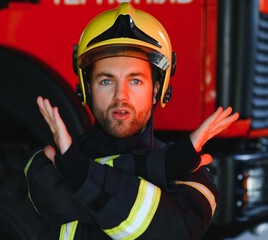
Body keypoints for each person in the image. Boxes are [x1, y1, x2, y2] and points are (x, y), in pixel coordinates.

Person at [24, 2, 239, 239]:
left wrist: (78, 171)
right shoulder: (41, 166)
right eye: (106, 81)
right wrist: (165, 166)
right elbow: (55, 197)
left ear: (157, 90)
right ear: (87, 88)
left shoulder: (197, 180)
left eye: (135, 81)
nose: (120, 96)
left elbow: (169, 231)